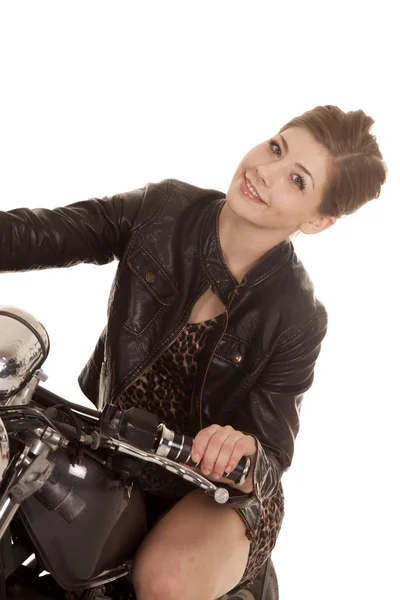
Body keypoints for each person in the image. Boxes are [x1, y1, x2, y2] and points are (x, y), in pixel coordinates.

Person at [0, 105, 387, 599]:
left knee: (165, 579)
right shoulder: (163, 211)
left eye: (296, 179)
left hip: (214, 492)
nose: (263, 173)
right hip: (118, 445)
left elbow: (271, 450)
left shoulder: (298, 317)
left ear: (318, 221)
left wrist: (240, 450)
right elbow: (44, 233)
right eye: (275, 147)